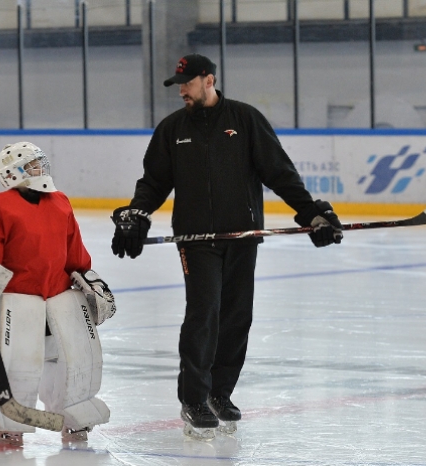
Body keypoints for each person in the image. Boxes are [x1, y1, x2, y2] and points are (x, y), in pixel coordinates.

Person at [110, 54, 343, 440]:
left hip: (242, 236)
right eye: (178, 84)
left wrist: (310, 214)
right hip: (195, 240)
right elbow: (153, 182)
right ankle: (194, 399)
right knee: (204, 313)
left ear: (209, 80)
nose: (181, 90)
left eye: (186, 83)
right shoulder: (172, 129)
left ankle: (220, 392)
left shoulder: (244, 120)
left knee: (236, 316)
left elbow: (279, 172)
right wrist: (135, 213)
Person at [0, 142, 115, 447]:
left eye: (40, 163)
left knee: (74, 359)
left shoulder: (60, 201)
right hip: (18, 299)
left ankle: (74, 414)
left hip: (60, 295)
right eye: (33, 165)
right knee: (19, 362)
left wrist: (88, 278)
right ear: (13, 173)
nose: (40, 169)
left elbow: (74, 251)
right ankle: (10, 421)